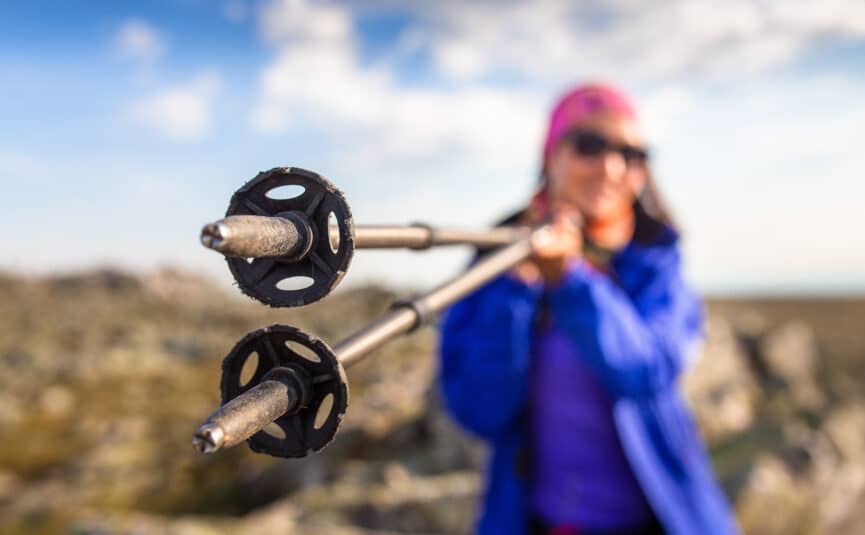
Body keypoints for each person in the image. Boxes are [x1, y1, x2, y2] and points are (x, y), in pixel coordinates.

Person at [438, 84, 738, 535]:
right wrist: (515, 294)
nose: (611, 167)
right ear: (550, 156)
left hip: (660, 519)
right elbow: (481, 410)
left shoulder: (656, 257)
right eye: (589, 145)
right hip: (533, 519)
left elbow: (647, 371)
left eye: (632, 154)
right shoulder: (496, 258)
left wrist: (570, 278)